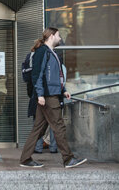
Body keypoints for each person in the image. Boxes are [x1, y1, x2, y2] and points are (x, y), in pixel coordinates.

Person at [20, 27, 87, 169]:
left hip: (51, 94)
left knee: (38, 129)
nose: (60, 38)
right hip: (48, 96)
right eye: (58, 35)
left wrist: (63, 90)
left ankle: (25, 159)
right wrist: (40, 95)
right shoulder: (42, 52)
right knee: (59, 126)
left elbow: (55, 76)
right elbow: (37, 75)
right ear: (51, 36)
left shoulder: (52, 53)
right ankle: (68, 159)